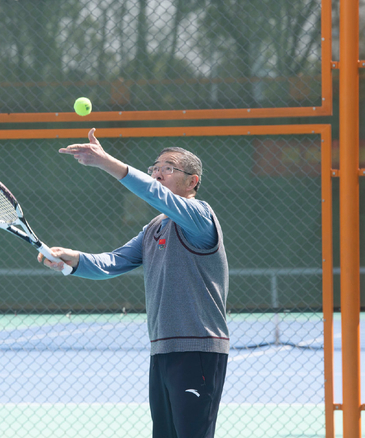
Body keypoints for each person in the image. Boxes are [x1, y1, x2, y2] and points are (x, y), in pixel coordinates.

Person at [39, 128, 229, 438]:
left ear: (192, 181)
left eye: (168, 168)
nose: (158, 173)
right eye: (155, 167)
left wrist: (105, 161)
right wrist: (73, 261)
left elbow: (155, 194)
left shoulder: (200, 216)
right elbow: (113, 262)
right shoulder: (154, 227)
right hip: (162, 350)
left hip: (197, 349)